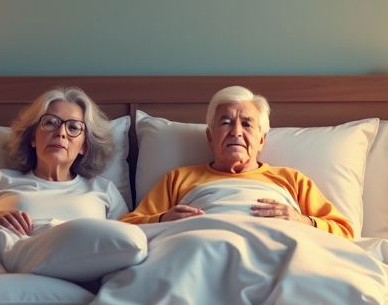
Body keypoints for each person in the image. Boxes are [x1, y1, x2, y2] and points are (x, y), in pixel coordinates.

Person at [0, 87, 141, 281]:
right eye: (50, 122)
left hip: (79, 271)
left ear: (84, 145)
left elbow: (127, 240)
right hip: (1, 267)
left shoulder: (102, 189)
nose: (61, 132)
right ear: (33, 138)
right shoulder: (0, 179)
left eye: (74, 127)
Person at [121, 86, 354, 238]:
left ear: (262, 140)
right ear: (210, 138)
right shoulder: (178, 178)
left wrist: (301, 220)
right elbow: (126, 228)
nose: (236, 132)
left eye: (247, 124)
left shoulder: (292, 180)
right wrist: (163, 219)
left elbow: (345, 232)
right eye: (226, 123)